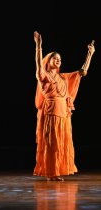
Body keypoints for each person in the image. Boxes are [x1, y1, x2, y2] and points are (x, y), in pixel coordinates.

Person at [33, 31, 95, 181]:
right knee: (51, 143)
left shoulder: (64, 77)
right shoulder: (44, 76)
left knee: (62, 142)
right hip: (51, 112)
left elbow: (82, 72)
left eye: (59, 59)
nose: (58, 60)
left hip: (63, 113)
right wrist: (39, 46)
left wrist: (90, 54)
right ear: (48, 61)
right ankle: (50, 173)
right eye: (55, 58)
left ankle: (57, 171)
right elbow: (38, 65)